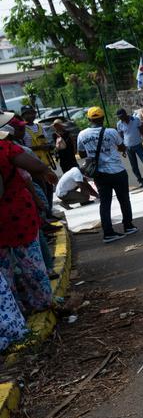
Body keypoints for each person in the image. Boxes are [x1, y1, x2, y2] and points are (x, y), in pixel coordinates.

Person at [0, 124, 56, 315]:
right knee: (31, 262)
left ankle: (14, 311)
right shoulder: (6, 148)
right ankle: (42, 302)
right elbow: (37, 167)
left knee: (4, 269)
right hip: (17, 215)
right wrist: (46, 172)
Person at [76, 107, 137, 242]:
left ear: (88, 119)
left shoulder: (82, 134)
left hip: (99, 174)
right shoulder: (111, 132)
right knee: (124, 199)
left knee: (105, 203)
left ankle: (108, 232)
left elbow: (81, 154)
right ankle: (128, 225)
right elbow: (121, 147)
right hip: (117, 171)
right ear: (103, 118)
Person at [116, 108, 143, 187]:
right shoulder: (119, 124)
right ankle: (140, 181)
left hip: (138, 145)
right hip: (128, 147)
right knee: (134, 166)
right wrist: (123, 150)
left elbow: (142, 131)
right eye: (119, 117)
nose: (121, 118)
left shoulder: (136, 120)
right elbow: (121, 137)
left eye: (122, 116)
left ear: (125, 114)